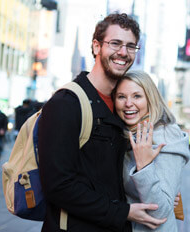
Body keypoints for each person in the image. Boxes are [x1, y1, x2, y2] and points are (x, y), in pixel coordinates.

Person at [38, 13, 170, 232]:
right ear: (97, 46)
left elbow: (109, 177)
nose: (123, 53)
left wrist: (157, 189)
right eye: (115, 43)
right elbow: (58, 186)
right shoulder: (66, 104)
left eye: (131, 46)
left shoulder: (123, 108)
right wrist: (124, 212)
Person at [113, 70, 190, 232]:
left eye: (137, 96)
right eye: (121, 97)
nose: (128, 103)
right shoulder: (126, 133)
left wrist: (144, 166)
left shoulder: (165, 135)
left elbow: (160, 212)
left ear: (150, 99)